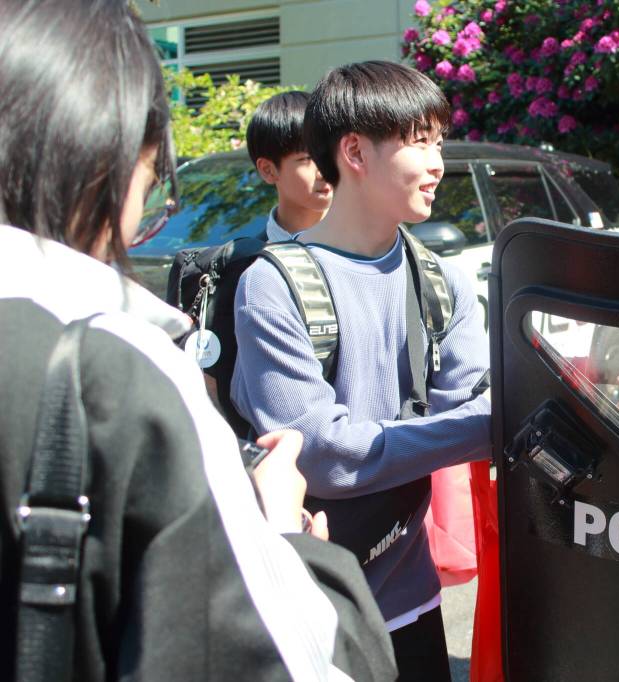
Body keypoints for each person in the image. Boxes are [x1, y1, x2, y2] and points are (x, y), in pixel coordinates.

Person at [0, 1, 395, 680]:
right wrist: (282, 532)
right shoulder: (117, 367)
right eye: (155, 180)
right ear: (111, 158)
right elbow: (294, 659)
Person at [231, 60, 490, 680]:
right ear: (354, 152)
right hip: (310, 606)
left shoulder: (443, 282)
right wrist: (476, 426)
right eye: (419, 142)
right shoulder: (273, 284)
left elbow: (480, 408)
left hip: (415, 597)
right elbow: (323, 454)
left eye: (439, 142)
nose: (438, 163)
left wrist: (478, 421)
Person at [245, 90, 333, 241]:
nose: (325, 170)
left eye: (330, 154)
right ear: (268, 170)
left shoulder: (370, 246)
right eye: (307, 158)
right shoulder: (252, 255)